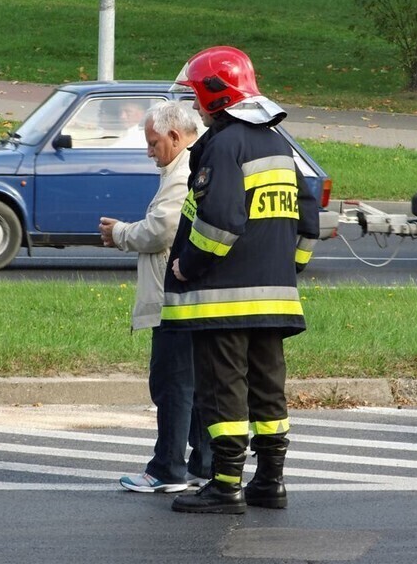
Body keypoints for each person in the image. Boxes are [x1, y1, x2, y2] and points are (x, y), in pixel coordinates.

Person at [162, 46, 320, 514]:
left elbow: (220, 224)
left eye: (196, 97)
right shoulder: (278, 143)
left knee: (222, 390)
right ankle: (270, 482)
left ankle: (225, 486)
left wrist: (187, 266)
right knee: (268, 391)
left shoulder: (225, 145)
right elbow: (308, 221)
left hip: (223, 302)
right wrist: (286, 269)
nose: (194, 107)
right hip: (275, 301)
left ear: (215, 95)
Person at [99, 102, 212, 493]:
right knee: (195, 385)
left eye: (153, 143)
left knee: (172, 384)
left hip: (173, 298)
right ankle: (203, 463)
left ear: (176, 137)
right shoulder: (196, 163)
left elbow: (163, 230)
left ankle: (166, 469)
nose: (149, 152)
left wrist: (120, 234)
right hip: (196, 296)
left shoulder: (182, 172)